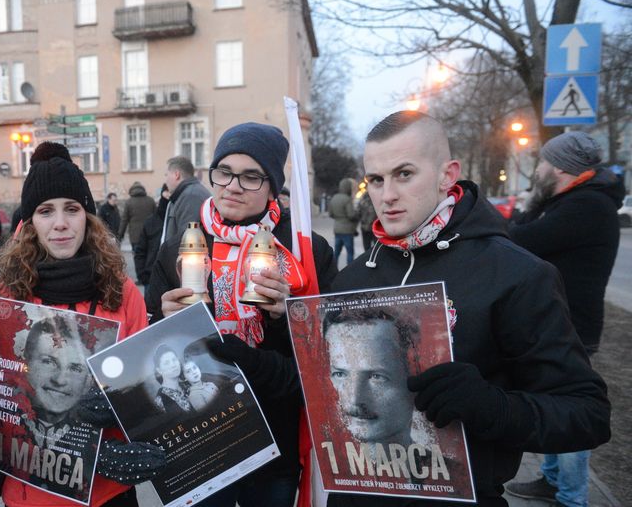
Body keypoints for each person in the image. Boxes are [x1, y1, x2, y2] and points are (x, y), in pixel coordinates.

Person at [219, 111, 607, 506]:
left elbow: (586, 414)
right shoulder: (355, 278)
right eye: (376, 179)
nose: (387, 196)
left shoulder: (516, 274)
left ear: (446, 175)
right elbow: (318, 388)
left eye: (404, 174)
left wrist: (492, 407)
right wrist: (245, 358)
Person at [147, 122, 337, 507]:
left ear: (272, 187)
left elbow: (328, 355)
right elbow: (151, 341)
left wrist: (287, 316)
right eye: (224, 172)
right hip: (202, 437)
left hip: (275, 437)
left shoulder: (303, 250)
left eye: (251, 177)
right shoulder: (180, 246)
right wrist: (162, 322)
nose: (232, 185)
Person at [0, 141, 164, 507]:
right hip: (32, 493)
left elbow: (146, 384)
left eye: (72, 209)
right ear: (29, 223)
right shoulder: (4, 301)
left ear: (88, 218)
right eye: (46, 211)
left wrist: (122, 406)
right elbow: (1, 394)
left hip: (107, 493)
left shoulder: (124, 294)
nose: (60, 223)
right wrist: (81, 455)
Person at [506, 131, 623, 507]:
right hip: (562, 321)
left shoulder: (586, 206)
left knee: (569, 409)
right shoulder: (572, 201)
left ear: (559, 167)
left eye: (542, 161)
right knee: (552, 401)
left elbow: (518, 240)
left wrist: (529, 204)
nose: (537, 168)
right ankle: (552, 480)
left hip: (572, 326)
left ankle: (572, 497)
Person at [324, 306, 417, 446]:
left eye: (376, 376)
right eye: (340, 374)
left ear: (412, 373)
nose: (354, 399)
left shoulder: (455, 468)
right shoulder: (315, 464)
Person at [22, 314, 102, 447]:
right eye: (48, 362)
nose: (60, 380)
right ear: (27, 363)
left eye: (75, 369)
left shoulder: (94, 442)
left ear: (88, 381)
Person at [160, 156, 211, 244]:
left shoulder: (191, 197)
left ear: (176, 175)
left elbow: (188, 243)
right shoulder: (187, 194)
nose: (165, 180)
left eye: (166, 175)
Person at [133, 184, 169, 286]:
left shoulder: (179, 218)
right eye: (167, 192)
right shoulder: (152, 221)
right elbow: (140, 251)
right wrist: (142, 275)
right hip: (150, 277)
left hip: (170, 279)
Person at [152, 345, 193, 414]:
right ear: (159, 370)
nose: (173, 365)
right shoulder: (160, 400)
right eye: (167, 363)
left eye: (174, 360)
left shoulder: (188, 384)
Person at [117, 181, 156, 252]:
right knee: (149, 258)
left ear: (132, 190)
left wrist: (120, 235)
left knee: (138, 257)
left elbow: (124, 220)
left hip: (135, 237)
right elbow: (156, 217)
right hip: (150, 235)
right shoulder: (151, 200)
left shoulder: (129, 202)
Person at [329, 177, 359, 264]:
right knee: (350, 253)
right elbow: (351, 215)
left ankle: (333, 270)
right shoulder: (347, 199)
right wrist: (357, 215)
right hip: (347, 230)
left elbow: (330, 214)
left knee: (337, 252)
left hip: (337, 229)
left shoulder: (334, 198)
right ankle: (349, 272)